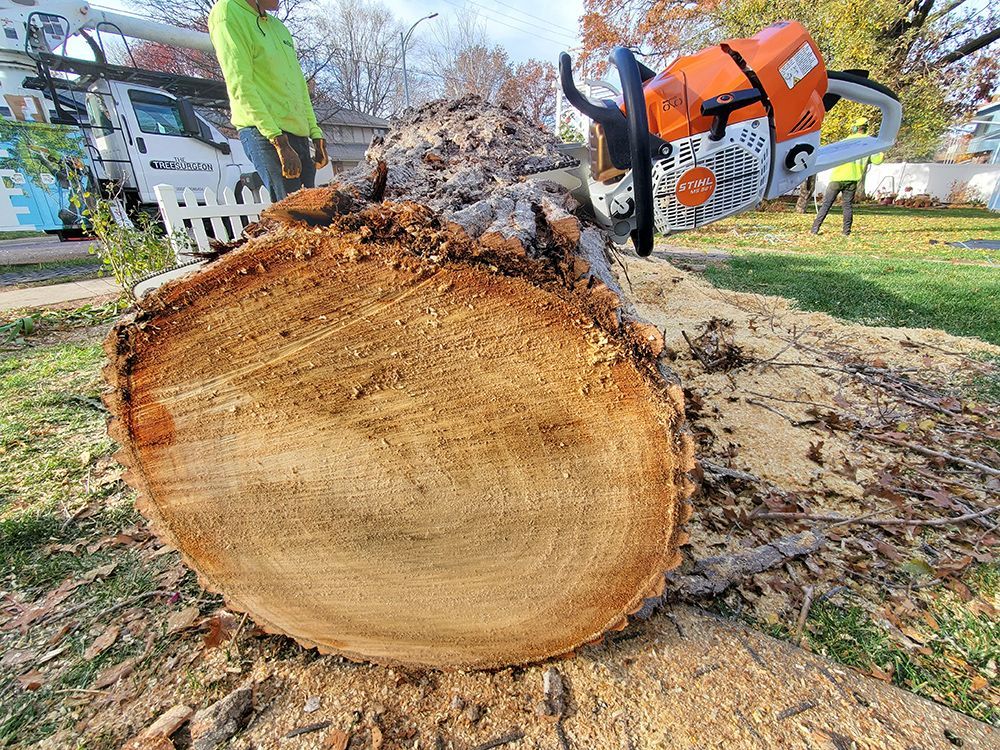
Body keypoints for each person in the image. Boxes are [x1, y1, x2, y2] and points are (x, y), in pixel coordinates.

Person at [208, 0, 328, 201]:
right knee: (294, 214)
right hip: (265, 132)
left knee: (313, 213)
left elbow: (298, 84)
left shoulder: (278, 27)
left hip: (297, 134)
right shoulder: (228, 12)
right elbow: (240, 83)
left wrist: (315, 133)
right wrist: (279, 141)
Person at [811, 117, 883, 236]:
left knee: (826, 204)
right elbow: (877, 160)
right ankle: (846, 232)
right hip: (852, 179)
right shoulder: (871, 143)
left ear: (854, 128)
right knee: (847, 206)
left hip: (837, 178)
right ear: (866, 128)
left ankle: (815, 229)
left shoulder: (846, 141)